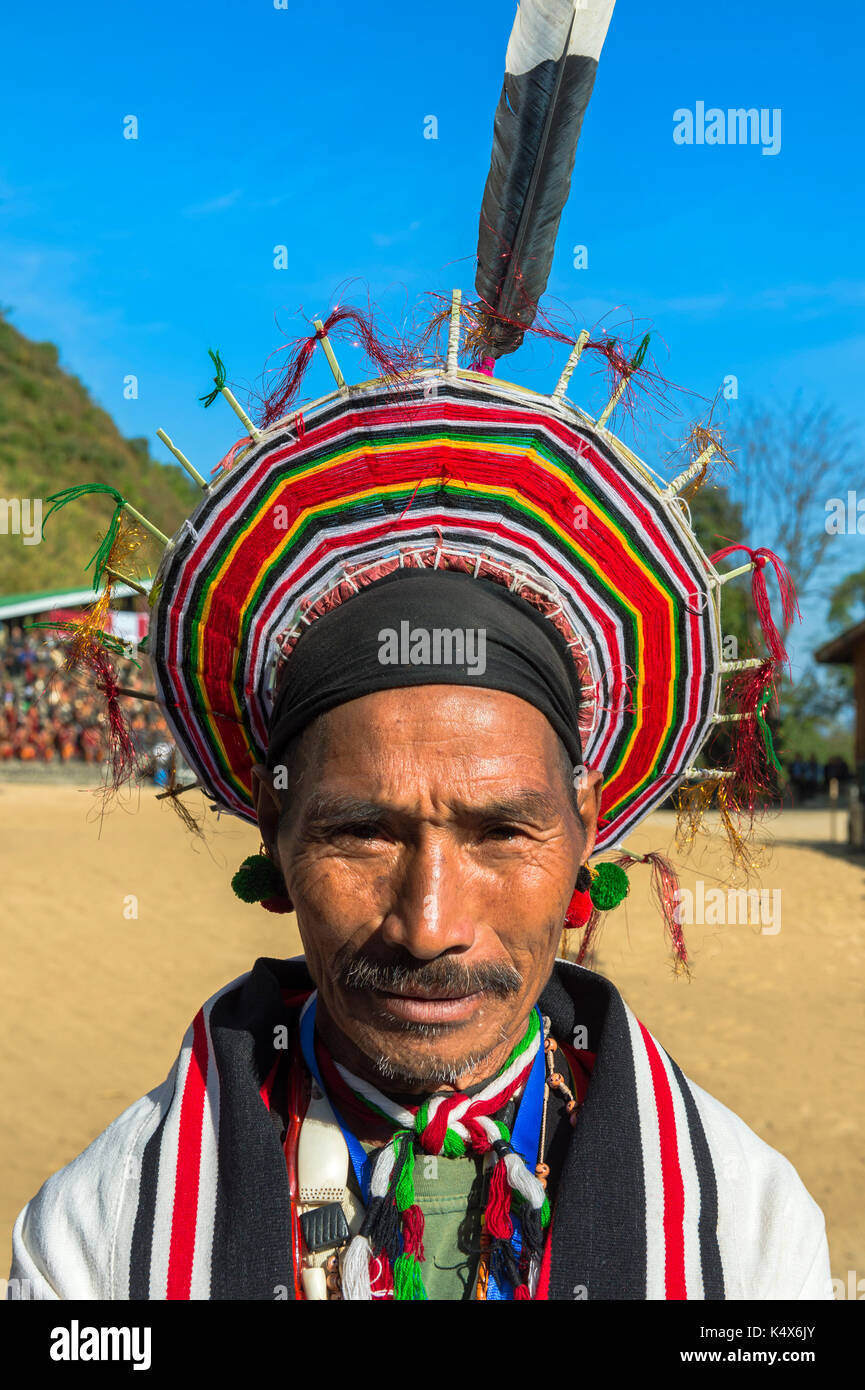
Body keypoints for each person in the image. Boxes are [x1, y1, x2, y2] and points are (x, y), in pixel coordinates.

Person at [6, 0, 830, 1302]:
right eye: (358, 832)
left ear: (583, 846)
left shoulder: (754, 1237)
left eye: (500, 830)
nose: (430, 923)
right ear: (271, 853)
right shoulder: (97, 1248)